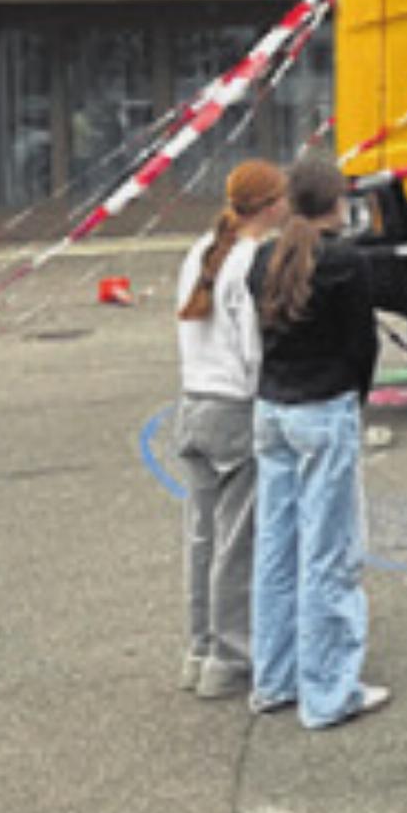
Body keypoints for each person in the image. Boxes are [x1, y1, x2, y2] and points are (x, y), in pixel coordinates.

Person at [247, 155, 388, 727]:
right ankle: (329, 690)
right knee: (329, 552)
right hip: (323, 405)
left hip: (273, 405)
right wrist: (356, 397)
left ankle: (274, 676)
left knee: (276, 547)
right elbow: (363, 344)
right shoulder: (346, 263)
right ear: (336, 203)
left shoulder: (264, 258)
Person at [174, 159, 288, 699]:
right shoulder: (253, 261)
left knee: (202, 536)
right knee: (237, 541)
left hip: (193, 401)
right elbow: (252, 349)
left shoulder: (200, 250)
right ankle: (231, 654)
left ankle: (199, 645)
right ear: (270, 205)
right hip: (234, 409)